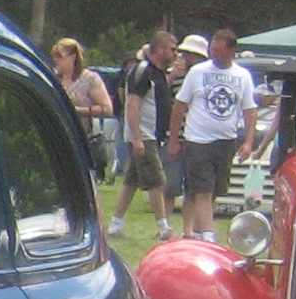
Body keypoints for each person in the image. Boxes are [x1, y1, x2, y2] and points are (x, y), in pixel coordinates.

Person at [172, 29, 258, 240]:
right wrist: (175, 138)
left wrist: (248, 141)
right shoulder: (198, 72)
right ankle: (208, 236)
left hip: (226, 140)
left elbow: (250, 110)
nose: (214, 54)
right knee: (201, 190)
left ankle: (195, 231)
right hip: (197, 139)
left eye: (219, 50)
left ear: (231, 50)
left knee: (213, 189)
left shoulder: (243, 76)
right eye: (212, 49)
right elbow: (180, 105)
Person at [109, 31, 177, 240]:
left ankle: (116, 223)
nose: (175, 54)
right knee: (157, 180)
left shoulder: (158, 74)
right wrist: (137, 137)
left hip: (152, 134)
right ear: (161, 49)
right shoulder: (143, 71)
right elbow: (132, 103)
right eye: (172, 49)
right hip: (144, 134)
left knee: (131, 182)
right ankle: (163, 226)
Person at [52, 38, 110, 168]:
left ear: (73, 57)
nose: (56, 60)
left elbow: (107, 108)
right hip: (56, 135)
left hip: (81, 139)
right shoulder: (53, 78)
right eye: (54, 56)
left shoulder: (90, 79)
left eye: (60, 56)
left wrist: (78, 111)